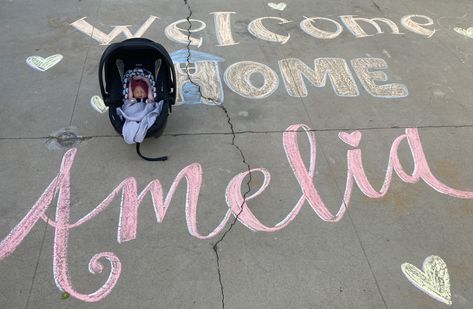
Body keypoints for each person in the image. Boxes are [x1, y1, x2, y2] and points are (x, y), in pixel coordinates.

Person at [117, 74, 163, 144]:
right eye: (137, 92)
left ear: (146, 92)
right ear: (133, 93)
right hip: (133, 112)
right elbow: (130, 92)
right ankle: (134, 124)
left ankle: (139, 124)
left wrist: (144, 79)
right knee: (129, 109)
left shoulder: (148, 99)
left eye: (142, 92)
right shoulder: (132, 99)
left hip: (145, 111)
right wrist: (130, 82)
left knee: (149, 107)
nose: (140, 94)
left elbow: (149, 88)